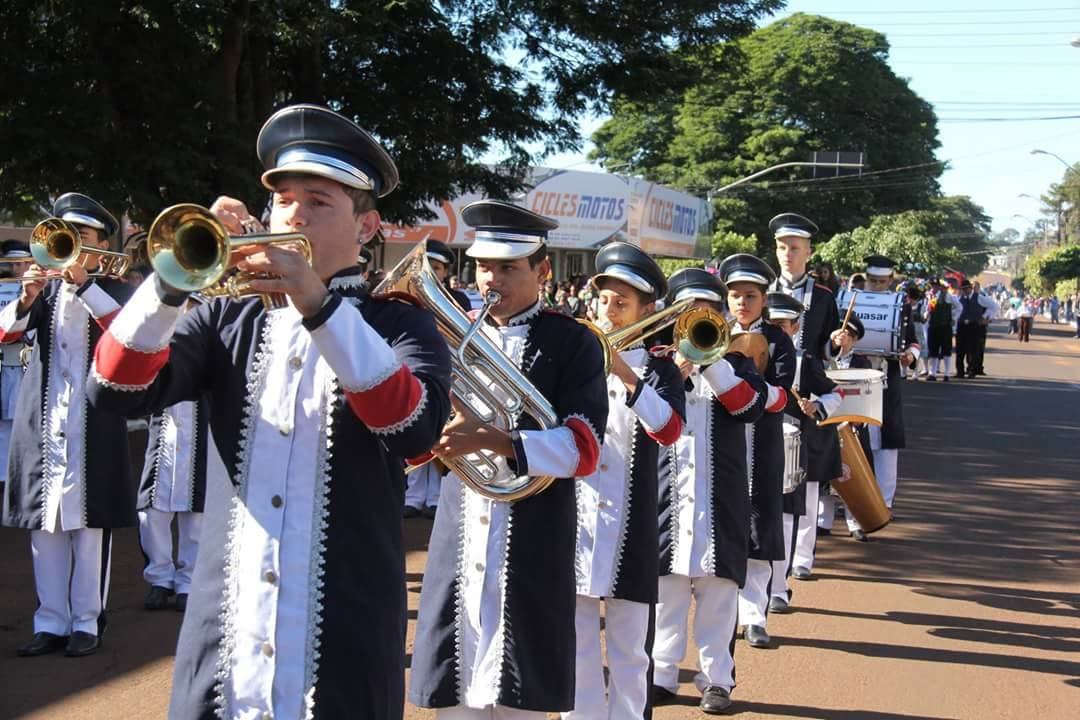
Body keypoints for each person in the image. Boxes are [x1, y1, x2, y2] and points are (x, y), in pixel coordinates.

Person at [88, 104, 453, 718]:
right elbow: (115, 388)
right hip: (225, 629)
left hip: (345, 631)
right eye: (283, 199)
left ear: (367, 227)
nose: (293, 214)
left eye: (319, 200)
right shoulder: (226, 316)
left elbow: (413, 428)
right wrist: (172, 283)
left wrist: (318, 306)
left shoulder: (400, 320)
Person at [409, 199, 608, 719]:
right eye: (482, 266)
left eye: (507, 267)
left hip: (533, 538)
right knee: (454, 700)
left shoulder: (574, 343)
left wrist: (499, 440)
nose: (490, 279)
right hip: (459, 530)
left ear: (542, 270)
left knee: (519, 699)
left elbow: (584, 450)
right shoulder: (450, 334)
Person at [1, 193, 135, 658]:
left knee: (89, 526)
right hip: (44, 420)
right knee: (46, 526)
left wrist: (84, 284)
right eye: (67, 236)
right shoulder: (45, 290)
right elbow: (6, 333)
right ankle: (50, 622)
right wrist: (26, 295)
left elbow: (125, 332)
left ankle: (86, 621)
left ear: (101, 246)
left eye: (83, 238)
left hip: (93, 421)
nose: (72, 245)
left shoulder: (114, 287)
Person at [567, 241, 685, 720]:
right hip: (576, 520)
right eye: (603, 300)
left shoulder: (660, 368)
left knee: (630, 651)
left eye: (622, 303)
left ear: (646, 310)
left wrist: (626, 376)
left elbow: (671, 429)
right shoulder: (573, 362)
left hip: (633, 527)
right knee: (574, 645)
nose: (608, 311)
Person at [651, 267, 767, 715]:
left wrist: (711, 363)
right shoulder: (660, 367)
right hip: (668, 499)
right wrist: (675, 373)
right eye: (688, 311)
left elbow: (751, 407)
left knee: (719, 592)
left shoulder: (736, 365)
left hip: (721, 501)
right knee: (667, 590)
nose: (698, 318)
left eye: (707, 311)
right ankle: (662, 673)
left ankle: (716, 679)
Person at [717, 255, 795, 650]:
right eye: (734, 296)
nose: (741, 303)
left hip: (762, 439)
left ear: (764, 299)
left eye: (750, 296)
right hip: (723, 441)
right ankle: (726, 614)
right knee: (726, 524)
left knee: (761, 524)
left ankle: (754, 615)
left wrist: (752, 394)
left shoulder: (780, 340)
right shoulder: (713, 333)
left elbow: (783, 393)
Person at [762, 293, 842, 594]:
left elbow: (836, 394)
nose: (777, 329)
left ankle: (780, 586)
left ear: (796, 328)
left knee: (790, 515)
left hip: (793, 446)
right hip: (755, 443)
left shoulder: (805, 360)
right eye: (772, 323)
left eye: (783, 324)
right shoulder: (750, 351)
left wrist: (817, 405)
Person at [843, 255, 919, 541]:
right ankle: (855, 511)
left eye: (882, 281)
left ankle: (883, 504)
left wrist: (910, 355)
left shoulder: (901, 306)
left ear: (891, 280)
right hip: (855, 378)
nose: (876, 286)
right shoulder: (851, 301)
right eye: (872, 281)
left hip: (887, 379)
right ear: (865, 278)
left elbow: (912, 340)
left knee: (886, 445)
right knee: (855, 442)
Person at [404, 238, 471, 520]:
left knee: (443, 432)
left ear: (446, 272)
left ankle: (435, 496)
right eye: (428, 264)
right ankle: (414, 495)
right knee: (416, 428)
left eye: (438, 267)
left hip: (450, 370)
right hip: (414, 369)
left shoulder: (461, 299)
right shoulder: (407, 296)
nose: (432, 270)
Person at [138, 388, 208, 613]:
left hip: (202, 424)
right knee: (151, 510)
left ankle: (189, 582)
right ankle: (160, 578)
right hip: (164, 428)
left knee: (196, 512)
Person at [0, 240, 31, 479]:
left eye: (20, 263)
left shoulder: (39, 289)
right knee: (5, 427)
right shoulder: (3, 289)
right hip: (6, 365)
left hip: (28, 364)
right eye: (12, 264)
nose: (16, 269)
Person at [954, 279, 994, 379]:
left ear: (970, 289)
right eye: (963, 289)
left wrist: (985, 317)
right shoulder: (959, 298)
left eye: (966, 289)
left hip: (974, 325)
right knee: (960, 349)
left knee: (972, 350)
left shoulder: (979, 298)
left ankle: (972, 371)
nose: (964, 291)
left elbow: (993, 306)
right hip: (962, 325)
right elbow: (955, 312)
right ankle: (960, 371)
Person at [925, 279, 961, 382]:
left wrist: (953, 318)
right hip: (933, 326)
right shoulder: (929, 296)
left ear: (940, 286)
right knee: (933, 349)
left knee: (946, 349)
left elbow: (959, 307)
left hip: (945, 326)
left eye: (936, 286)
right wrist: (926, 315)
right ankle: (932, 373)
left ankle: (947, 373)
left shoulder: (948, 296)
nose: (934, 287)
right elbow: (928, 309)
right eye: (933, 285)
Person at [969, 281, 998, 377]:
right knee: (970, 347)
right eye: (972, 287)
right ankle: (970, 367)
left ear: (978, 288)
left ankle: (977, 368)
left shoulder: (982, 297)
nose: (973, 288)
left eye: (975, 287)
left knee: (979, 348)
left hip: (979, 325)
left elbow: (994, 306)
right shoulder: (967, 297)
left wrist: (986, 318)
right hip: (969, 325)